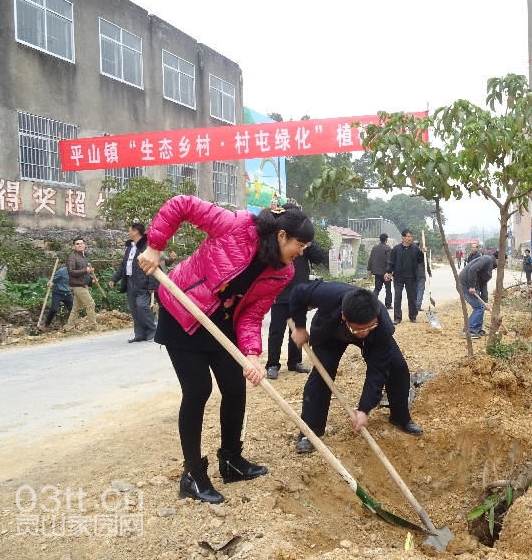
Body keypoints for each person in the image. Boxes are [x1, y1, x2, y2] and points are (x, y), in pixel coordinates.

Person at [137, 198, 314, 505]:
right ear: (282, 236)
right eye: (299, 245)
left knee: (235, 387)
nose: (300, 254)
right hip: (183, 310)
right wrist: (155, 246)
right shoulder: (236, 226)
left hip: (222, 321)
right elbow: (181, 205)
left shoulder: (282, 272)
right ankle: (192, 474)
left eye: (305, 248)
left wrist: (252, 354)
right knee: (198, 390)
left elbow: (252, 314)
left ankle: (231, 460)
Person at [288, 282, 423, 454]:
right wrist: (299, 327)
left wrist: (363, 409)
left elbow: (377, 371)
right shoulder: (328, 294)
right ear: (344, 316)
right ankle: (310, 432)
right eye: (361, 329)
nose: (365, 331)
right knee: (323, 372)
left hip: (374, 339)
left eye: (369, 327)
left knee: (397, 367)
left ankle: (400, 416)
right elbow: (298, 292)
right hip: (331, 333)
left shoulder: (381, 327)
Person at [265, 240, 328, 379]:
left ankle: (295, 362)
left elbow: (319, 258)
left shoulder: (305, 242)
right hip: (280, 293)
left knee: (298, 329)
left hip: (299, 294)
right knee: (276, 331)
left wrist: (310, 243)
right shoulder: (281, 240)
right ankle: (272, 364)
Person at [109, 223, 159, 343]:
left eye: (129, 231)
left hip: (143, 281)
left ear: (136, 232)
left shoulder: (147, 247)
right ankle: (139, 334)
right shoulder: (130, 248)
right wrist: (114, 278)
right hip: (130, 281)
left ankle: (152, 330)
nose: (128, 233)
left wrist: (152, 284)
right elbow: (124, 266)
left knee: (142, 307)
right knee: (134, 309)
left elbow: (153, 265)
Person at [384, 229, 426, 324]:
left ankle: (413, 316)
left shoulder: (415, 248)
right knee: (397, 298)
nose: (410, 238)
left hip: (411, 277)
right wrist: (388, 271)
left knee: (412, 298)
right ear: (403, 237)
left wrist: (422, 253)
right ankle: (397, 318)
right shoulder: (396, 249)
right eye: (408, 236)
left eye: (411, 236)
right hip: (399, 277)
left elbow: (419, 261)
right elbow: (392, 262)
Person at [459, 251, 498, 338]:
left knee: (482, 306)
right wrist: (472, 286)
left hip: (470, 285)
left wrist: (485, 301)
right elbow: (472, 269)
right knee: (479, 307)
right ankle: (469, 331)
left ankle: (477, 329)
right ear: (498, 259)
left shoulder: (490, 264)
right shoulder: (487, 260)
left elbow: (483, 283)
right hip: (465, 284)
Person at [62, 237, 97, 331]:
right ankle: (93, 325)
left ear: (84, 245)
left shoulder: (84, 257)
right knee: (90, 304)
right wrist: (86, 271)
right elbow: (71, 272)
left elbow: (86, 272)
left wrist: (91, 278)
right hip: (77, 285)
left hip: (83, 284)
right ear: (74, 246)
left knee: (76, 308)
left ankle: (69, 327)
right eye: (77, 244)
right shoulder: (72, 257)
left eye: (81, 243)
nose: (80, 245)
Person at [40, 266, 73, 331]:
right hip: (58, 293)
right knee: (53, 309)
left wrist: (91, 280)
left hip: (67, 293)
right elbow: (53, 279)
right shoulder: (61, 271)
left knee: (73, 310)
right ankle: (46, 325)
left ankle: (72, 324)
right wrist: (50, 283)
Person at [367, 233, 392, 310]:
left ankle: (371, 303)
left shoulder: (374, 248)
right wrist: (390, 271)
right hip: (386, 273)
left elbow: (370, 259)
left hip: (377, 272)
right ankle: (388, 305)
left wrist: (369, 269)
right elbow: (389, 261)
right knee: (388, 289)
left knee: (377, 288)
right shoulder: (388, 248)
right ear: (386, 240)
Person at [414, 241, 431, 311]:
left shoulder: (411, 253)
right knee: (420, 289)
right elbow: (426, 263)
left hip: (414, 274)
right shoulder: (422, 253)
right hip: (420, 274)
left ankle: (414, 304)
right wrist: (429, 272)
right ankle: (417, 305)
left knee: (415, 290)